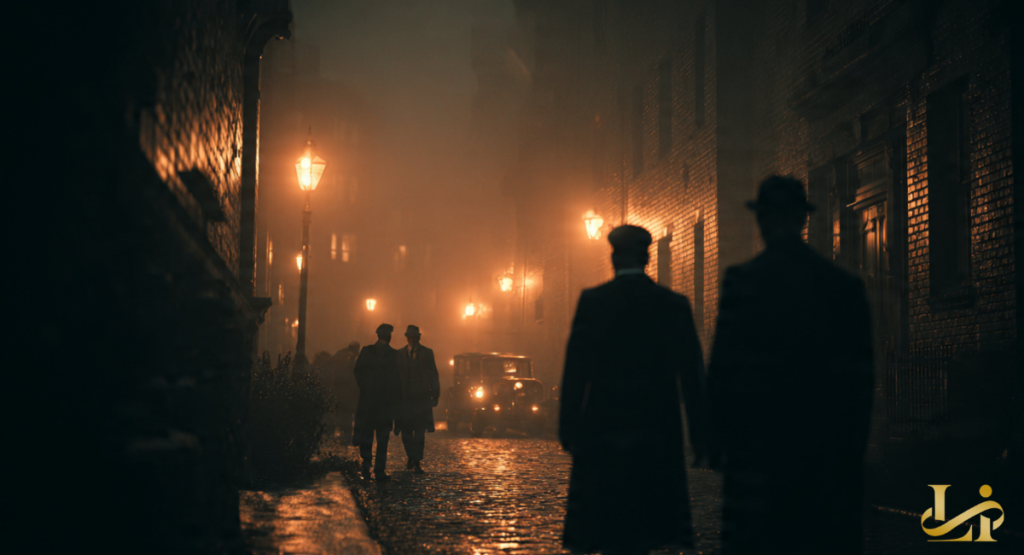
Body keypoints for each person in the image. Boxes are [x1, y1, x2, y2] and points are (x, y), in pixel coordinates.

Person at [707, 175, 874, 555]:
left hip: (757, 452)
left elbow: (723, 370)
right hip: (823, 450)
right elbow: (860, 379)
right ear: (802, 221)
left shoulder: (742, 282)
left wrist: (719, 440)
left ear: (762, 221)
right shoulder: (842, 286)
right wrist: (852, 449)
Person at [559, 225, 707, 555]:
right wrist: (700, 435)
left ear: (613, 257)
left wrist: (569, 428)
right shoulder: (673, 305)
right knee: (648, 524)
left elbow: (575, 371)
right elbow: (692, 376)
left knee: (611, 523)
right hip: (657, 429)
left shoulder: (593, 302)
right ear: (648, 257)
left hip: (603, 430)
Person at [352, 324, 402, 481]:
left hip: (370, 402)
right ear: (389, 336)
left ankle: (366, 466)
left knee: (369, 436)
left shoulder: (367, 351)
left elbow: (358, 371)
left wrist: (365, 388)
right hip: (384, 404)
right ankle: (378, 470)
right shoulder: (393, 355)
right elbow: (397, 381)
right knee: (381, 438)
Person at [395, 325, 440, 473]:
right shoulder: (400, 354)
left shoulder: (427, 353)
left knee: (420, 431)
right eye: (410, 336)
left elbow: (433, 373)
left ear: (419, 338)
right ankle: (411, 456)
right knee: (406, 431)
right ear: (407, 337)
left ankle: (417, 461)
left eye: (415, 336)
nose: (413, 339)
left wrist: (435, 394)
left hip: (421, 399)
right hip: (405, 399)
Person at [331, 341, 360, 438]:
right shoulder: (346, 359)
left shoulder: (343, 358)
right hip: (350, 393)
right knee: (350, 414)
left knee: (348, 414)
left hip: (349, 393)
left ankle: (347, 432)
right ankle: (349, 433)